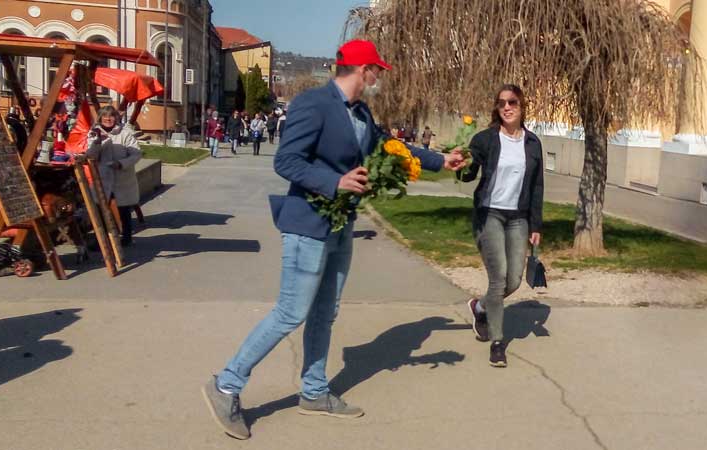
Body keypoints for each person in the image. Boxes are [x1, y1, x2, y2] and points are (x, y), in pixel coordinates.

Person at [201, 39, 466, 440]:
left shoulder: (361, 112)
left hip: (341, 225)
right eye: (377, 70)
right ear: (364, 70)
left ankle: (314, 391)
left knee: (325, 312)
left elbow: (388, 146)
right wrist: (335, 182)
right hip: (308, 224)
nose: (379, 78)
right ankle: (226, 385)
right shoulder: (313, 104)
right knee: (291, 312)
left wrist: (439, 160)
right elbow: (286, 161)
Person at [460, 84, 545, 368]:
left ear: (522, 106)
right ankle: (497, 342)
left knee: (514, 280)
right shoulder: (485, 139)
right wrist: (463, 163)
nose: (506, 107)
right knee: (498, 278)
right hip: (490, 215)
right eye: (501, 103)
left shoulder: (532, 143)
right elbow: (468, 174)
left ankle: (480, 306)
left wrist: (536, 225)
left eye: (512, 102)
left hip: (518, 217)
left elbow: (536, 187)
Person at [86, 106, 143, 247]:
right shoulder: (94, 133)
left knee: (123, 209)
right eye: (105, 116)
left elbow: (136, 154)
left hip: (122, 178)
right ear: (100, 118)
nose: (108, 119)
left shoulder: (125, 133)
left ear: (116, 118)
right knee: (102, 210)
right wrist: (97, 143)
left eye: (111, 116)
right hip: (102, 179)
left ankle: (126, 237)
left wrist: (121, 163)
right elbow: (90, 155)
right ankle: (102, 241)